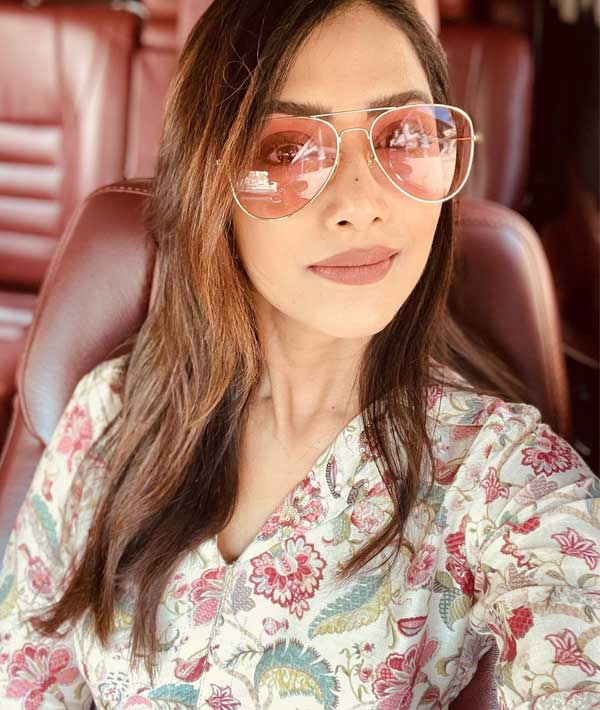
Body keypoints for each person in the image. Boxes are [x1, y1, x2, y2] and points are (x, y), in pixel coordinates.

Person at [1, 1, 598, 708]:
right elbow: (27, 680)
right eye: (286, 150)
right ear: (208, 181)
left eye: (404, 135)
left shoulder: (499, 478)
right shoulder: (110, 413)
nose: (362, 204)